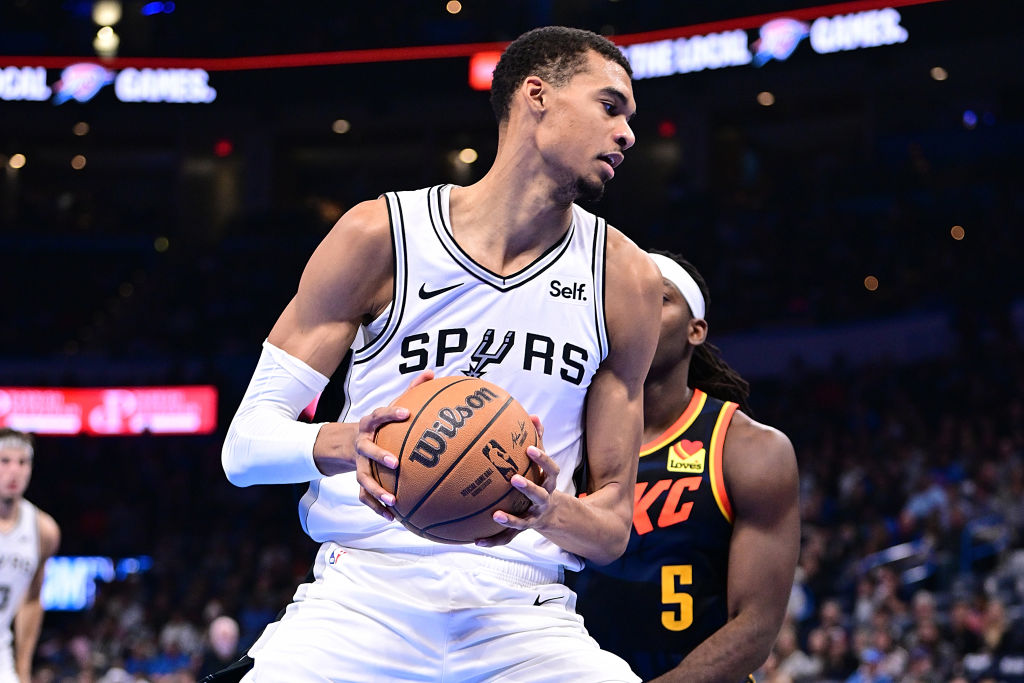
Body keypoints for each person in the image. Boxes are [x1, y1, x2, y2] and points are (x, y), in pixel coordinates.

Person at [215, 25, 662, 682]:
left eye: (630, 118)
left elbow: (613, 529)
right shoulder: (381, 235)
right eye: (610, 106)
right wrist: (351, 443)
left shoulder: (627, 280)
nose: (627, 134)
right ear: (537, 95)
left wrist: (550, 509)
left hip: (522, 612)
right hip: (362, 598)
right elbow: (245, 448)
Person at [569, 252, 800, 682]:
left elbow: (755, 626)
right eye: (620, 297)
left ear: (696, 330)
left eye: (659, 298)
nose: (635, 308)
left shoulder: (749, 448)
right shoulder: (560, 438)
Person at [0, 429, 61, 683]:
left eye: (22, 462)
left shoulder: (43, 531)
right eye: (4, 461)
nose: (14, 471)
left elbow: (32, 600)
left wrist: (23, 668)